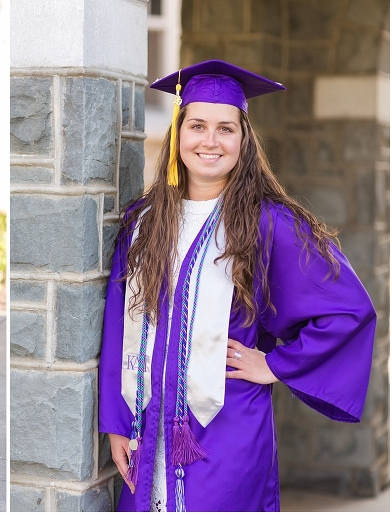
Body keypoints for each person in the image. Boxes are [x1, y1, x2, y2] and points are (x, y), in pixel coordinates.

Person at [99, 60, 376, 512]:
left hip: (227, 431)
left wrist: (275, 365)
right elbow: (118, 322)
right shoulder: (143, 221)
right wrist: (116, 422)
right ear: (178, 133)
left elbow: (347, 310)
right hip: (145, 432)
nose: (210, 141)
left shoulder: (269, 223)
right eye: (198, 126)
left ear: (244, 141)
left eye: (226, 129)